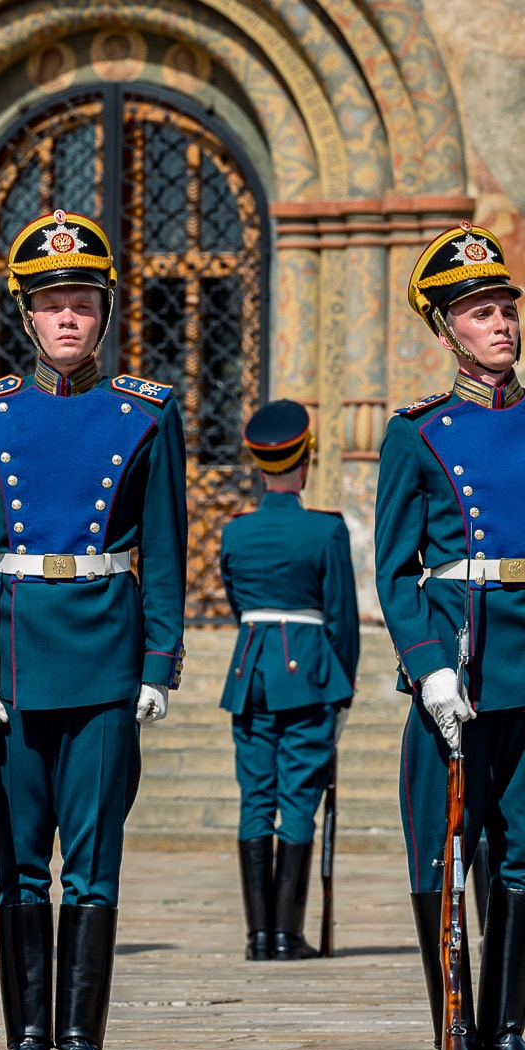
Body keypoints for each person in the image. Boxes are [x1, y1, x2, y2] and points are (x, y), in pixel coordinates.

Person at [0, 210, 187, 1050]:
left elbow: (163, 547)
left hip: (105, 657)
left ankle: (79, 1038)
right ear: (27, 315)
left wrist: (160, 664)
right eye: (52, 304)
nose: (69, 318)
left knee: (91, 858)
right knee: (13, 859)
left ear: (106, 311)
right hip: (14, 656)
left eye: (83, 301)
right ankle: (27, 1038)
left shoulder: (145, 414)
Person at [377, 223, 525, 1050]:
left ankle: (506, 1030)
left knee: (519, 856)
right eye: (480, 311)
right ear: (446, 330)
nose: (502, 322)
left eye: (506, 306)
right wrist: (427, 663)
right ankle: (455, 1032)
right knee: (443, 851)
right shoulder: (418, 433)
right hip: (459, 669)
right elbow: (396, 569)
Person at [218, 398, 359, 960]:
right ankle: (287, 933)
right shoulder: (326, 531)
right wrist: (341, 686)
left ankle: (258, 936)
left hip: (249, 667)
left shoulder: (235, 533)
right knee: (299, 799)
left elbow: (236, 604)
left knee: (256, 796)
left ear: (258, 463)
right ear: (307, 460)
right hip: (309, 671)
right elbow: (342, 619)